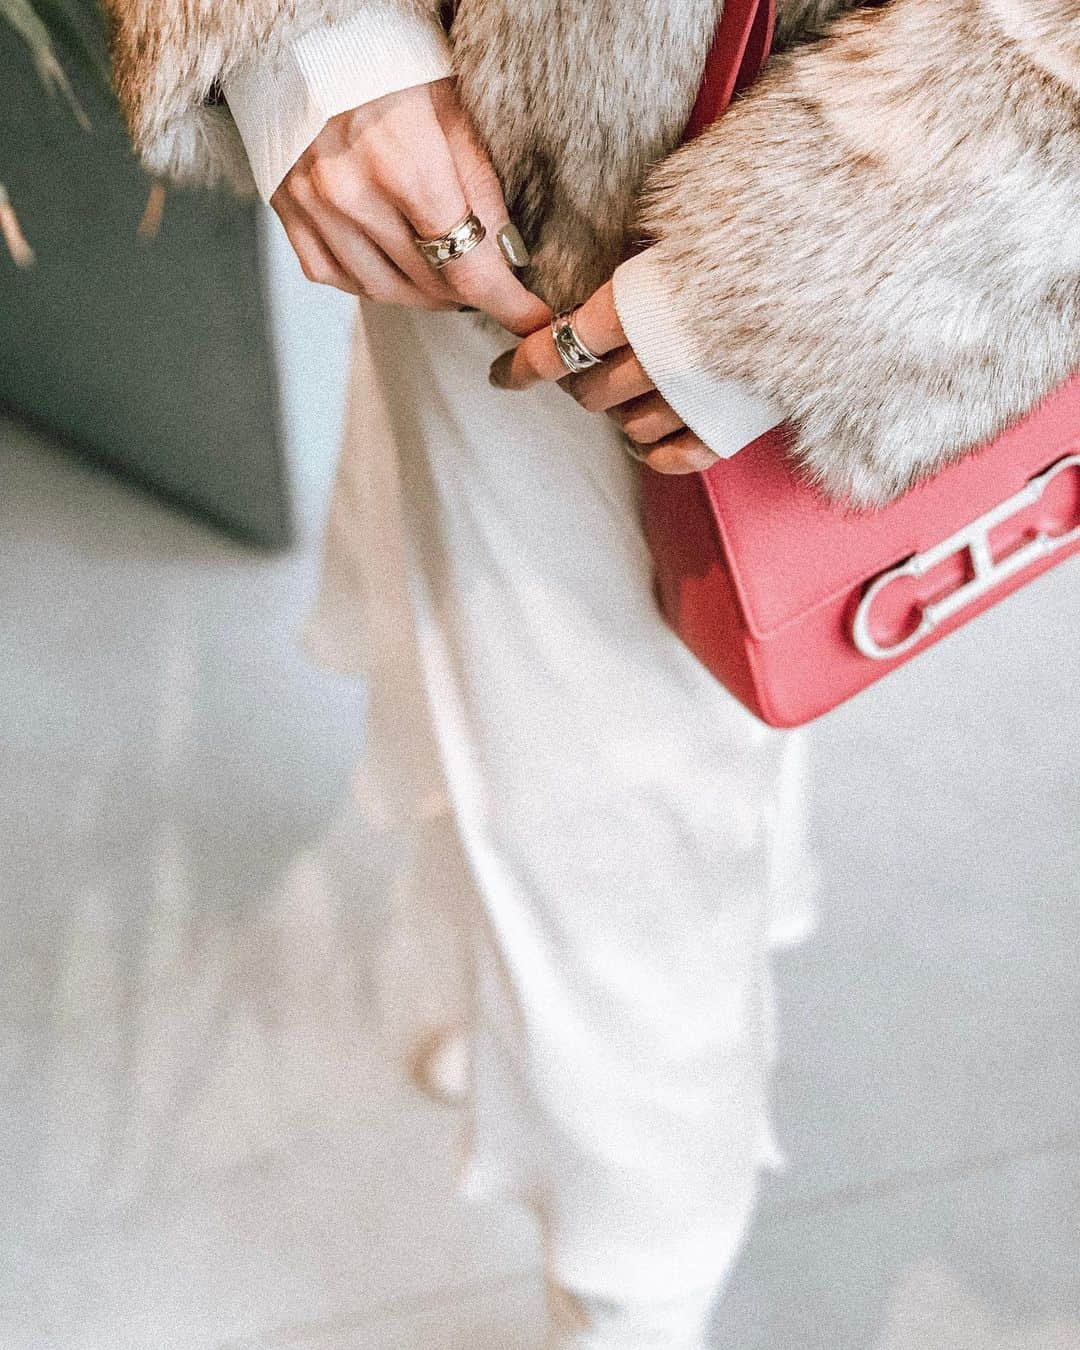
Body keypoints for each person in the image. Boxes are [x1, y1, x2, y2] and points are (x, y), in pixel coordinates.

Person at [101, 1, 1080, 1345]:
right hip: (460, 119)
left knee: (612, 814)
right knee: (514, 645)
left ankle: (639, 1287)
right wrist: (308, 41)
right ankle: (552, 1044)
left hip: (797, 171)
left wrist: (833, 258)